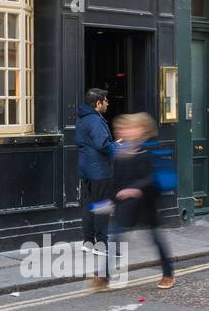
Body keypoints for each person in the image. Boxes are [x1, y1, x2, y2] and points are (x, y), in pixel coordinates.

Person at [98, 112, 175, 293]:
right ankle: (104, 277)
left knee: (156, 239)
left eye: (127, 128)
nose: (122, 131)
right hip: (125, 205)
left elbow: (151, 177)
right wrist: (110, 200)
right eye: (120, 128)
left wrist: (136, 188)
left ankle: (168, 273)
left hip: (146, 203)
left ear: (140, 130)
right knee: (115, 237)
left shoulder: (149, 151)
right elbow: (116, 181)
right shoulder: (120, 152)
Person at [75, 88, 114, 252]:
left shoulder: (82, 118)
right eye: (105, 100)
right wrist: (117, 147)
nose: (107, 103)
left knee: (89, 206)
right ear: (98, 103)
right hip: (99, 170)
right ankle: (101, 244)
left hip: (86, 168)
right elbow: (103, 144)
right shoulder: (95, 120)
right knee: (102, 207)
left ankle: (88, 242)